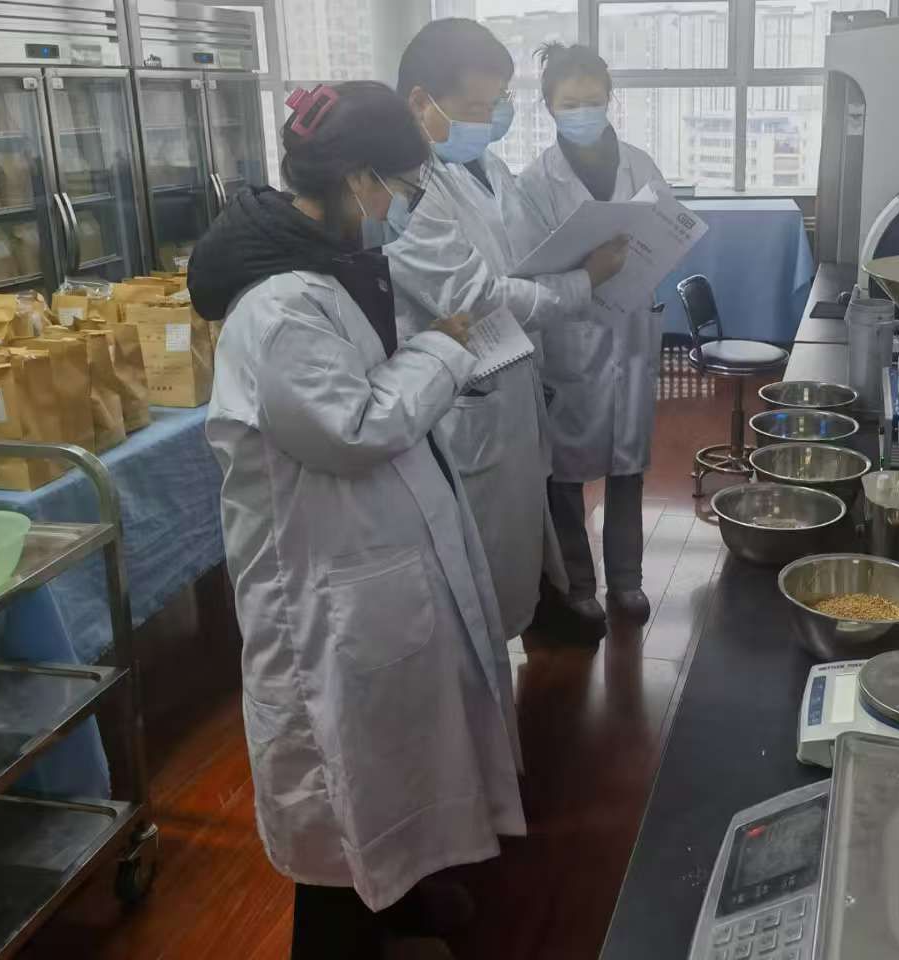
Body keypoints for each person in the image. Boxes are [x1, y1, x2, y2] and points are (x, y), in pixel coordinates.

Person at [189, 81, 524, 960]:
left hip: (373, 561)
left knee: (393, 755)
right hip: (325, 589)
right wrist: (445, 346)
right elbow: (354, 428)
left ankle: (403, 902)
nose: (398, 209)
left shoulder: (324, 270)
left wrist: (434, 349)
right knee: (342, 783)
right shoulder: (278, 308)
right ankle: (341, 941)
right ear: (359, 178)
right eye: (399, 190)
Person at [385, 18, 630, 641]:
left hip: (515, 378)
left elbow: (523, 257)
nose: (491, 117)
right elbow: (476, 296)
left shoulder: (487, 166)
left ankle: (539, 612)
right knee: (474, 579)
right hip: (465, 396)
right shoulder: (404, 192)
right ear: (421, 102)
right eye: (476, 107)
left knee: (522, 526)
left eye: (496, 102)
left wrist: (573, 263)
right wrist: (584, 281)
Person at [516, 43, 668, 627]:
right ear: (549, 106)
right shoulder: (535, 182)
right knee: (564, 476)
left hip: (628, 330)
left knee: (628, 468)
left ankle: (627, 581)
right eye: (570, 103)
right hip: (569, 338)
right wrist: (588, 272)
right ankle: (578, 585)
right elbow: (529, 269)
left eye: (593, 100)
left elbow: (666, 230)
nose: (583, 111)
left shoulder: (639, 165)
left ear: (610, 99)